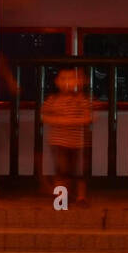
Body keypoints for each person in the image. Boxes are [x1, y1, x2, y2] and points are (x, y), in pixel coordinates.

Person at [40, 67, 93, 204]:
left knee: (80, 171)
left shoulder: (81, 99)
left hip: (78, 143)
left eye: (71, 78)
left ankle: (81, 197)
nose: (67, 82)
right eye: (63, 79)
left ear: (79, 82)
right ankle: (61, 199)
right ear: (57, 82)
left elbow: (88, 117)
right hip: (59, 142)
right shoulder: (53, 99)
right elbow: (44, 116)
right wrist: (59, 121)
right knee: (62, 170)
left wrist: (71, 121)